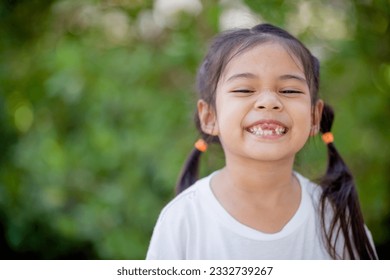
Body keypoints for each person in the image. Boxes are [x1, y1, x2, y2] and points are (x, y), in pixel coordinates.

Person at [146, 23, 377, 260]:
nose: (269, 102)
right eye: (245, 90)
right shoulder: (183, 220)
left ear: (314, 117)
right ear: (209, 117)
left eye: (289, 91)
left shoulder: (337, 222)